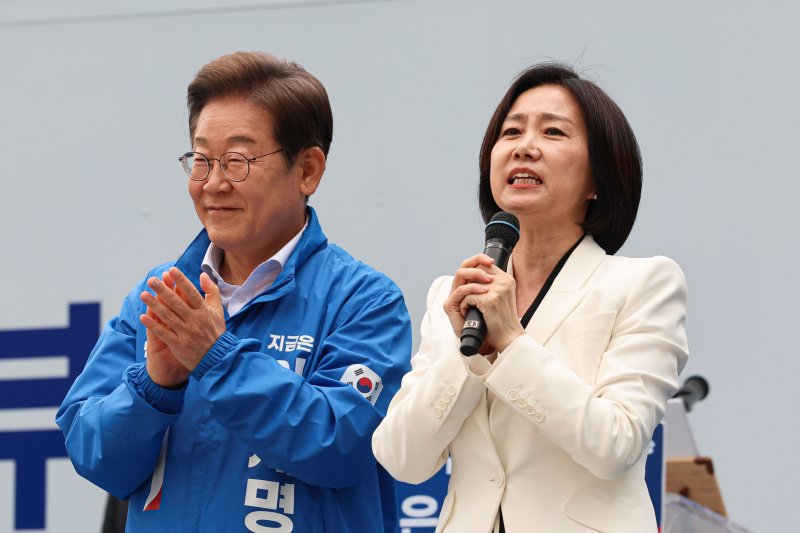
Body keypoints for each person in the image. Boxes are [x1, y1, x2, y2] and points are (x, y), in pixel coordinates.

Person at [57, 51, 411, 532]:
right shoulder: (162, 292)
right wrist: (155, 388)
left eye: (237, 161)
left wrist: (216, 358)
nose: (214, 184)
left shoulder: (364, 300)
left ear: (308, 169)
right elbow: (94, 454)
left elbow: (345, 446)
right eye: (201, 160)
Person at [372, 63, 689, 532]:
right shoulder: (454, 294)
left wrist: (511, 343)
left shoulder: (645, 283)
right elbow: (401, 458)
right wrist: (470, 357)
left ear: (598, 179)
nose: (524, 147)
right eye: (511, 132)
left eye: (553, 132)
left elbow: (616, 445)